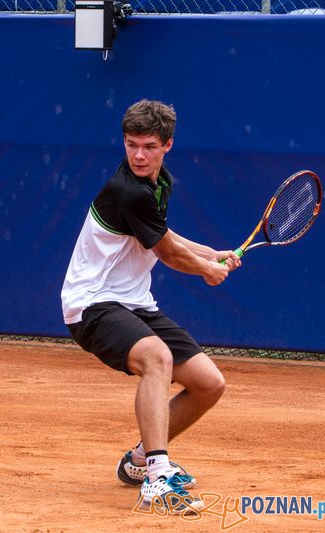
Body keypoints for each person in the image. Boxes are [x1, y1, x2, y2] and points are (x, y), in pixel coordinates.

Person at [60, 99, 241, 512]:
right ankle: (159, 478)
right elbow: (169, 254)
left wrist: (209, 252)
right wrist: (205, 270)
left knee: (209, 384)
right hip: (92, 304)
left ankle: (140, 460)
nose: (138, 155)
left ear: (167, 146)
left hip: (134, 304)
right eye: (131, 145)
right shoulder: (128, 190)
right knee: (156, 358)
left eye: (148, 146)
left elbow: (164, 235)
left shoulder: (159, 185)